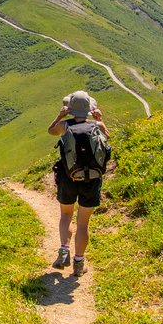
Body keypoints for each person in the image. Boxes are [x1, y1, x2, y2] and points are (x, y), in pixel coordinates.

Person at [48, 90, 110, 276]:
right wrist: (100, 119)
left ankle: (64, 250)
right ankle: (79, 263)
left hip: (68, 177)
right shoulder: (96, 125)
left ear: (71, 108)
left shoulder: (65, 126)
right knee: (83, 224)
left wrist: (61, 115)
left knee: (66, 215)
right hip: (92, 180)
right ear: (89, 109)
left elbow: (51, 131)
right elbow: (107, 140)